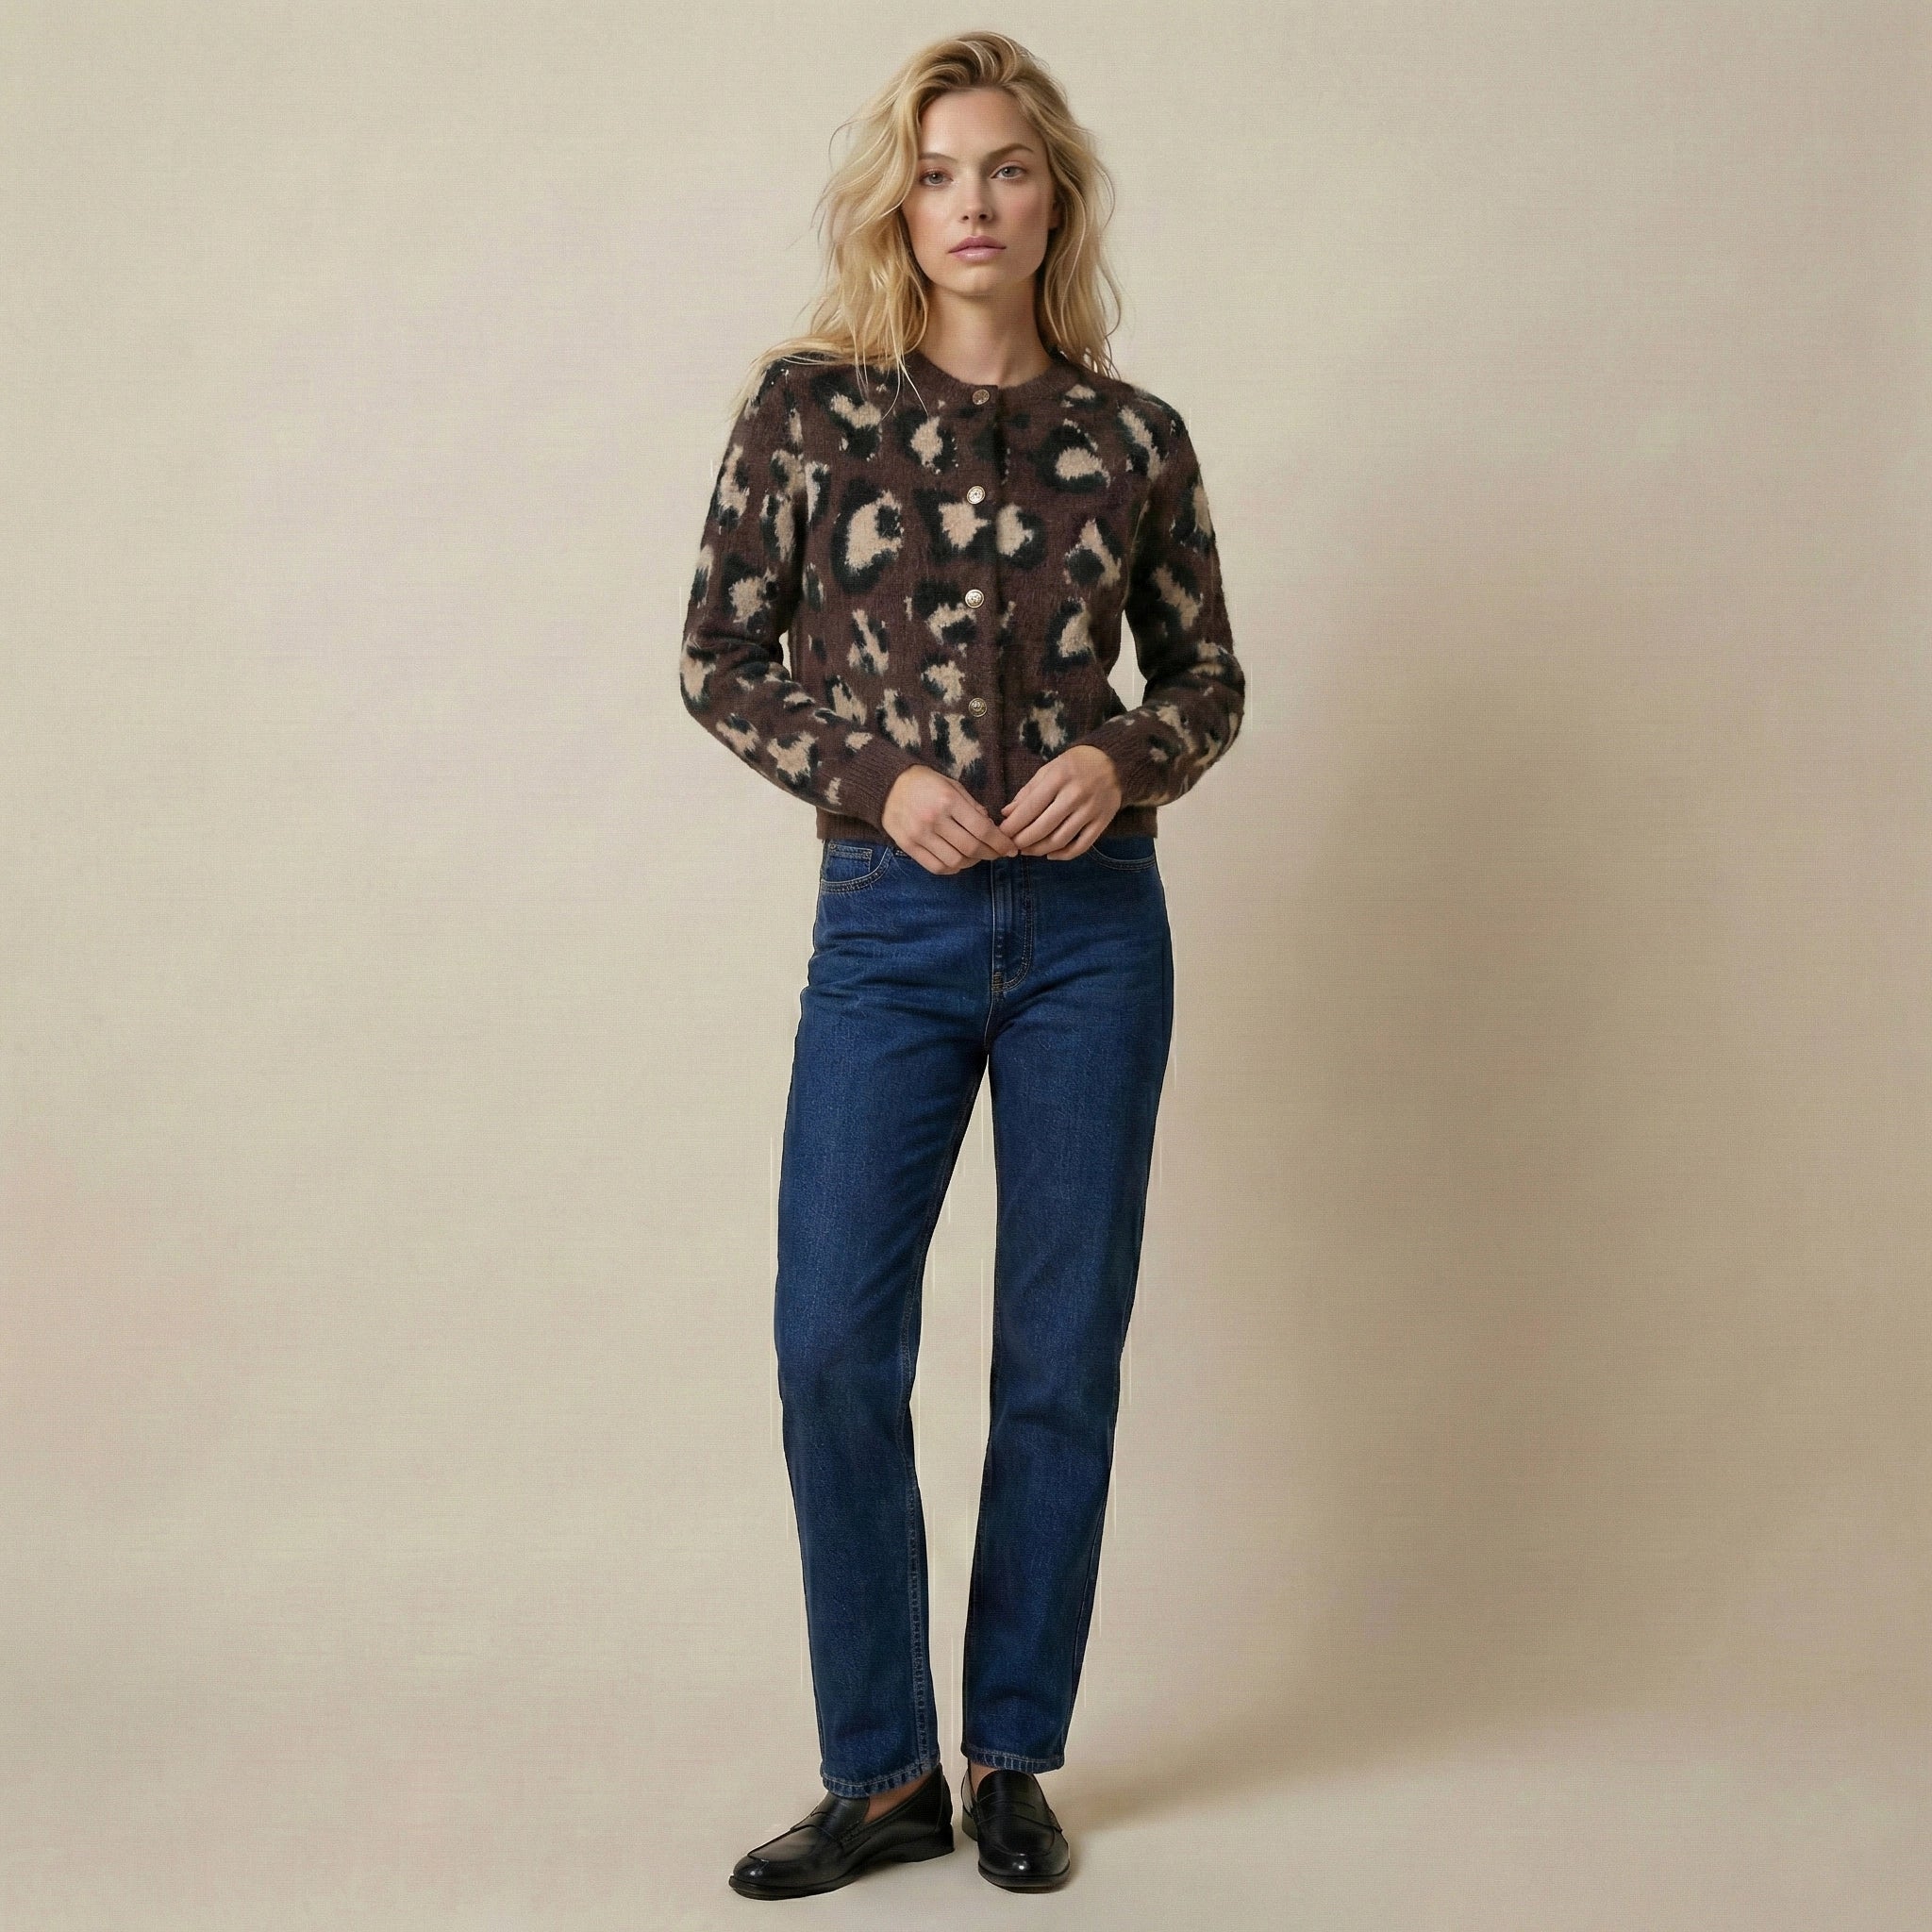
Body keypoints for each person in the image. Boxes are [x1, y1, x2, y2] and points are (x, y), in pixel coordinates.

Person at [678, 30, 1246, 1900]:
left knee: (1058, 1357)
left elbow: (1208, 678)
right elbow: (716, 655)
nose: (972, 202)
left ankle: (1009, 1758)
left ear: (1051, 196)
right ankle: (879, 1773)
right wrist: (879, 780)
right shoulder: (811, 412)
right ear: (900, 206)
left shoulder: (1135, 438)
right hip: (890, 925)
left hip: (1095, 933)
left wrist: (1126, 758)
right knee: (833, 1348)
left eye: (1004, 167)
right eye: (937, 173)